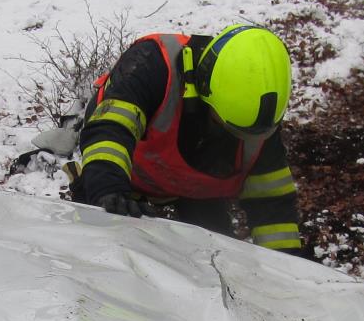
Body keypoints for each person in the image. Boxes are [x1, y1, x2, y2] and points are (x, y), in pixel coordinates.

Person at [72, 25, 306, 255]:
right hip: (123, 175)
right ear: (204, 91)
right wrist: (108, 189)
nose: (235, 138)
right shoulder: (152, 64)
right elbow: (110, 129)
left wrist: (287, 267)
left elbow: (272, 205)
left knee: (215, 257)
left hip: (195, 191)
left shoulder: (258, 122)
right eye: (225, 127)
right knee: (100, 246)